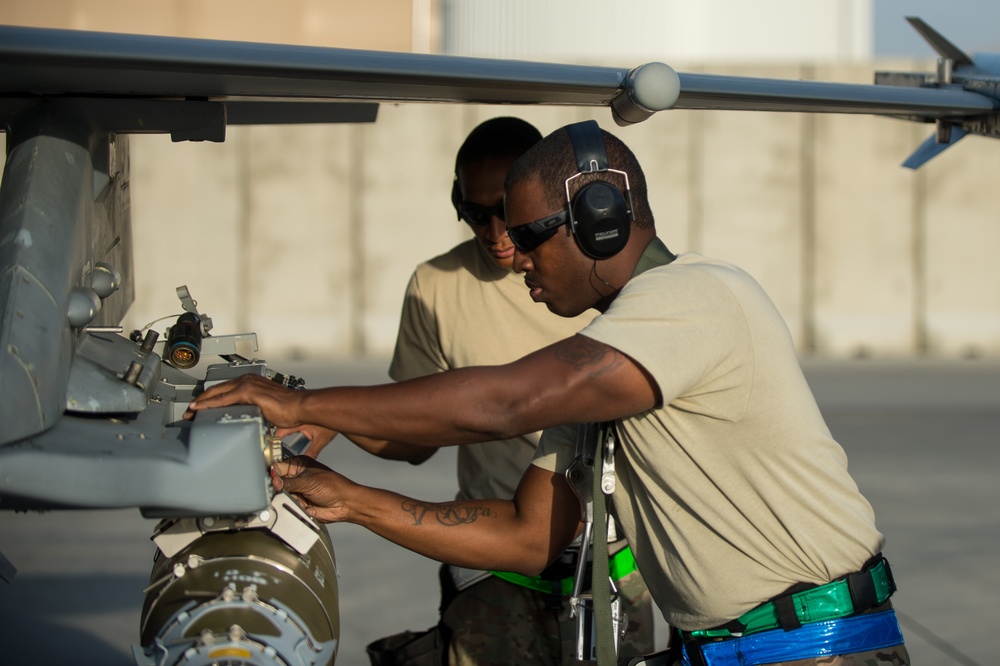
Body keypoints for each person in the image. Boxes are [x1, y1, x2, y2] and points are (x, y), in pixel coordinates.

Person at [187, 119, 909, 666]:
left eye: (530, 233)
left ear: (600, 219)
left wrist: (306, 405)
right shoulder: (608, 371)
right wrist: (350, 500)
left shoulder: (697, 296)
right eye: (491, 225)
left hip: (818, 649)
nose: (513, 254)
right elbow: (530, 537)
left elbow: (507, 403)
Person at [295, 117, 653, 665]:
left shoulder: (597, 280)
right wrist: (335, 417)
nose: (494, 232)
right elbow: (415, 440)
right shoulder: (435, 287)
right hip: (495, 567)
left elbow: (502, 404)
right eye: (474, 214)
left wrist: (320, 408)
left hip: (609, 567)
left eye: (508, 213)